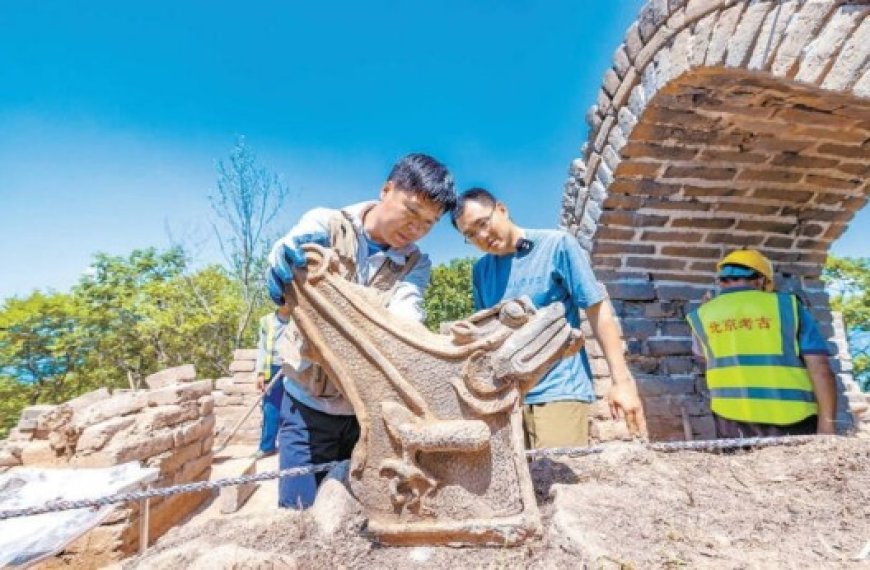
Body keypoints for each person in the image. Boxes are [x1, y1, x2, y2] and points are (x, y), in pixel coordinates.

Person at [265, 153, 456, 508]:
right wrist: (282, 260)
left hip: (364, 411)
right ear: (387, 190)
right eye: (412, 212)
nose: (416, 229)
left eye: (428, 224)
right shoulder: (328, 225)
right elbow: (289, 246)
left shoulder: (417, 263)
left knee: (362, 512)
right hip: (308, 406)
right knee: (298, 513)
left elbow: (405, 313)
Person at [451, 188, 646, 448]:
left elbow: (597, 311)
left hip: (559, 392)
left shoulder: (556, 245)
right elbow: (488, 337)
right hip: (508, 401)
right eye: (470, 234)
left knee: (559, 483)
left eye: (482, 224)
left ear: (501, 209)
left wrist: (621, 382)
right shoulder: (481, 271)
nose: (482, 236)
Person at [687, 249, 837, 438]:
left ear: (722, 281)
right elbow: (820, 368)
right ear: (761, 280)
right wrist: (827, 424)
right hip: (793, 418)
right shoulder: (788, 307)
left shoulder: (701, 315)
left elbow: (705, 360)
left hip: (731, 421)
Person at [252, 305, 291, 459]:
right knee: (270, 408)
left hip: (293, 369)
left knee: (293, 409)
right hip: (273, 369)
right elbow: (262, 347)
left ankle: (288, 447)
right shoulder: (267, 321)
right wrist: (260, 372)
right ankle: (267, 446)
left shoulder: (299, 318)